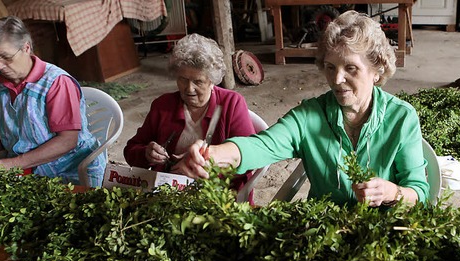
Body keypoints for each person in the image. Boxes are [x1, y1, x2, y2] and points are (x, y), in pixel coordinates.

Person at [174, 11, 429, 207]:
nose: (337, 79)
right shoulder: (309, 116)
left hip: (384, 233)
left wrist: (392, 192)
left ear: (377, 71)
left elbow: (419, 191)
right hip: (324, 232)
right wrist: (213, 154)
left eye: (350, 68)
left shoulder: (401, 118)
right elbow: (261, 146)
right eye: (330, 67)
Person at [123, 33, 256, 202]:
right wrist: (146, 153)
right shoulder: (162, 105)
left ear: (212, 81)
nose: (189, 89)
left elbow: (250, 159)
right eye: (183, 79)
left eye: (198, 81)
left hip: (219, 196)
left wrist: (207, 169)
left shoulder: (232, 104)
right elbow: (130, 150)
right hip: (170, 193)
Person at [0, 16, 105, 187]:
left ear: (26, 48)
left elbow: (67, 141)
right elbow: (9, 131)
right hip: (30, 168)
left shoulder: (56, 83)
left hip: (72, 169)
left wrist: (14, 163)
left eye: (5, 57)